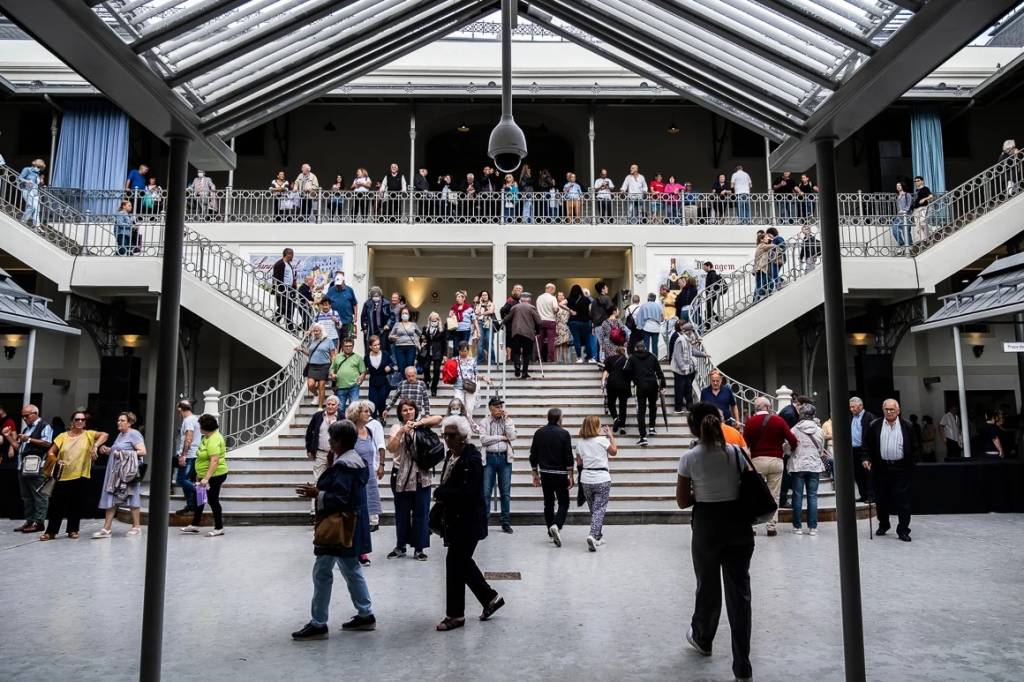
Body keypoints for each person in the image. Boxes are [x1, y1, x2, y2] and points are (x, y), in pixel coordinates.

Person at [676, 403, 755, 682]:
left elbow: (683, 501)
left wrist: (704, 493)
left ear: (693, 427)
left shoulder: (689, 458)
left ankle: (703, 637)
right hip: (738, 523)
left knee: (707, 588)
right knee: (740, 594)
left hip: (707, 525)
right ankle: (742, 666)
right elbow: (750, 485)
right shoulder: (735, 453)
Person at [291, 419, 376, 640]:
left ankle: (319, 622)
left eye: (331, 439)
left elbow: (340, 498)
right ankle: (365, 613)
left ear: (338, 442)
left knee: (322, 572)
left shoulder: (344, 465)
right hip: (349, 525)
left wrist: (317, 494)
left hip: (337, 526)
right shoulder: (355, 461)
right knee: (350, 568)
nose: (329, 442)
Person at [433, 416, 505, 631]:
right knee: (461, 563)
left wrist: (440, 492)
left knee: (455, 564)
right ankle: (490, 599)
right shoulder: (452, 455)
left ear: (464, 437)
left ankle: (456, 615)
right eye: (445, 434)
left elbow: (469, 492)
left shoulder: (471, 460)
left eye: (451, 435)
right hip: (456, 520)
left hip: (468, 521)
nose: (447, 439)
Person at [386, 400, 441, 560]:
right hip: (401, 475)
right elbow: (391, 448)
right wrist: (402, 432)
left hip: (421, 476)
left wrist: (418, 423)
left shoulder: (422, 425)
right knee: (402, 513)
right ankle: (400, 546)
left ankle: (419, 548)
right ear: (400, 413)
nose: (408, 412)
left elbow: (438, 418)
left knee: (422, 513)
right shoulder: (397, 427)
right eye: (404, 410)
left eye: (411, 409)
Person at [40, 410, 108, 541]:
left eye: (83, 420)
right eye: (77, 419)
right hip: (62, 475)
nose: (80, 422)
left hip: (80, 475)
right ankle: (51, 532)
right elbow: (50, 452)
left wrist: (95, 446)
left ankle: (73, 530)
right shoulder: (62, 436)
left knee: (76, 504)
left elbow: (105, 435)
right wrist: (56, 460)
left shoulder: (89, 434)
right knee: (56, 505)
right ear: (72, 421)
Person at [862, 399, 919, 541]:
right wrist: (866, 459)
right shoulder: (875, 425)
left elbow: (916, 446)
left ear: (898, 411)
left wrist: (911, 463)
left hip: (901, 468)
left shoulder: (907, 426)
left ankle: (903, 530)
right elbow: (866, 445)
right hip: (881, 467)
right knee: (881, 498)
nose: (889, 412)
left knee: (903, 500)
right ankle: (884, 524)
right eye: (886, 409)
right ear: (883, 410)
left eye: (892, 409)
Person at [742, 396, 797, 537]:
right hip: (776, 460)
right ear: (768, 406)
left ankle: (753, 527)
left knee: (755, 494)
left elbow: (744, 444)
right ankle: (771, 527)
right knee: (774, 495)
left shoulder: (750, 422)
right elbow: (793, 440)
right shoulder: (778, 421)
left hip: (757, 461)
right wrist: (786, 449)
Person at [93, 412, 146, 538]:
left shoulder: (134, 434)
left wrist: (122, 453)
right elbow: (117, 450)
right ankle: (106, 529)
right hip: (115, 472)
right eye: (118, 420)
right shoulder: (121, 435)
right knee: (111, 496)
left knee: (131, 496)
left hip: (127, 472)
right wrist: (108, 450)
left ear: (130, 422)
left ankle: (136, 527)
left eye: (122, 420)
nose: (119, 422)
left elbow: (143, 451)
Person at [3, 404, 52, 533]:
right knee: (26, 496)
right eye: (23, 416)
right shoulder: (26, 429)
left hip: (36, 466)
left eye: (27, 415)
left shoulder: (44, 426)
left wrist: (29, 439)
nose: (25, 418)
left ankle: (39, 522)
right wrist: (8, 436)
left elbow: (47, 443)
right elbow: (18, 447)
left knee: (39, 495)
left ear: (35, 413)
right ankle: (30, 521)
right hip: (24, 466)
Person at [530, 408, 574, 547]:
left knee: (548, 503)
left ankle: (550, 531)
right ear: (559, 418)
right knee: (564, 502)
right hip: (560, 474)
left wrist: (534, 473)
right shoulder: (564, 433)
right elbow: (568, 456)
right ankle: (557, 525)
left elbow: (533, 454)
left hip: (545, 473)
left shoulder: (539, 433)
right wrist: (571, 475)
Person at [180, 414, 228, 537]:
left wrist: (206, 478)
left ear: (205, 426)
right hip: (204, 475)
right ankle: (195, 525)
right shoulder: (206, 437)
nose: (198, 427)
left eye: (200, 425)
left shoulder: (214, 439)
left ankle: (219, 528)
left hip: (215, 476)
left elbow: (214, 461)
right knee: (198, 499)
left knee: (213, 500)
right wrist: (199, 476)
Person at [576, 416, 616, 551]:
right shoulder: (602, 440)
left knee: (594, 509)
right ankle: (593, 535)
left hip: (586, 479)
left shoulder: (580, 443)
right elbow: (614, 452)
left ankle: (598, 536)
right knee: (599, 509)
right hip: (602, 478)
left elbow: (579, 463)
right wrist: (611, 436)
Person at [347, 400, 386, 540]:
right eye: (366, 411)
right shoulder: (348, 430)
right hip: (353, 477)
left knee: (366, 511)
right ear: (356, 413)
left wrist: (381, 465)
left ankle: (363, 549)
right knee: (355, 512)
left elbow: (380, 446)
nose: (369, 414)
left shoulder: (370, 428)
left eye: (369, 411)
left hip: (368, 475)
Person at [478, 396, 516, 533]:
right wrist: (501, 437)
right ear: (491, 408)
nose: (500, 409)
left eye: (501, 406)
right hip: (489, 459)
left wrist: (507, 421)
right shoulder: (484, 422)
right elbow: (483, 439)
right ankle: (484, 522)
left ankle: (505, 522)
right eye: (497, 407)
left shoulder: (508, 421)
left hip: (505, 459)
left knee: (505, 493)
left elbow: (512, 436)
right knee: (486, 492)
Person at [789, 403, 826, 535]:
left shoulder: (794, 429)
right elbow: (821, 449)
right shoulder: (819, 430)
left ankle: (797, 526)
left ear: (801, 415)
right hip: (814, 465)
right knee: (812, 496)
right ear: (813, 415)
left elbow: (788, 448)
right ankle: (813, 527)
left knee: (797, 496)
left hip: (798, 465)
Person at [305, 395, 342, 516]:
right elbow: (309, 432)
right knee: (317, 481)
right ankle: (314, 511)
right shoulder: (318, 416)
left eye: (333, 404)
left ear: (337, 406)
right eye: (328, 404)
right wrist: (310, 449)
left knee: (337, 481)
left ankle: (334, 509)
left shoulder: (342, 417)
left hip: (337, 455)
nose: (330, 406)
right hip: (320, 453)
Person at [624, 340, 665, 447]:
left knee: (641, 411)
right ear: (645, 348)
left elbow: (626, 371)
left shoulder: (632, 358)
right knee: (653, 407)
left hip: (640, 386)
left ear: (636, 348)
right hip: (653, 384)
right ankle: (652, 428)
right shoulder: (652, 356)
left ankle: (643, 437)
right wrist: (663, 385)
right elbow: (659, 372)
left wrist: (634, 379)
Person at [503, 291, 542, 379]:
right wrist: (537, 330)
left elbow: (507, 318)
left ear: (521, 299)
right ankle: (524, 373)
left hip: (516, 332)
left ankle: (517, 366)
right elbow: (539, 321)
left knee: (516, 352)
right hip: (528, 334)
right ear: (529, 300)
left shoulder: (515, 307)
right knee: (527, 354)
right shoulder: (532, 308)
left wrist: (504, 321)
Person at [671, 321, 707, 414]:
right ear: (688, 331)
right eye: (691, 331)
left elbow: (693, 351)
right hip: (680, 370)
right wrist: (682, 367)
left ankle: (689, 406)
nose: (692, 333)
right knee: (680, 389)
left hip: (687, 369)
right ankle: (678, 408)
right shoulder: (680, 340)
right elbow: (677, 355)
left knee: (688, 388)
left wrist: (703, 354)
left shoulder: (687, 340)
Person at [298, 324, 334, 409]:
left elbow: (333, 355)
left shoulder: (329, 341)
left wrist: (332, 368)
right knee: (310, 385)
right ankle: (316, 395)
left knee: (321, 386)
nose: (315, 332)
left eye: (317, 331)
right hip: (312, 365)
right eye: (314, 331)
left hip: (324, 365)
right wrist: (302, 350)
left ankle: (320, 407)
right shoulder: (312, 340)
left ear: (322, 331)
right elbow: (310, 353)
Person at [453, 341, 489, 424]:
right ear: (458, 351)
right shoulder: (455, 360)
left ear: (468, 350)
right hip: (458, 386)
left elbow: (476, 374)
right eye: (461, 351)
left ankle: (468, 425)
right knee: (458, 405)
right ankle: (460, 424)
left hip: (470, 386)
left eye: (465, 351)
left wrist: (483, 377)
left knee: (469, 408)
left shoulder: (473, 360)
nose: (463, 353)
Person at [850, 397, 877, 502]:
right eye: (850, 407)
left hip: (866, 450)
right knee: (858, 474)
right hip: (854, 450)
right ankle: (863, 495)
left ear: (861, 406)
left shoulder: (869, 417)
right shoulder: (851, 417)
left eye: (853, 407)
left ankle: (871, 495)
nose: (851, 409)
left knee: (868, 473)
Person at [330, 337, 366, 412]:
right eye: (346, 346)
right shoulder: (337, 357)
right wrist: (332, 374)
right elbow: (332, 368)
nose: (348, 348)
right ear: (343, 347)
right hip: (340, 386)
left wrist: (361, 378)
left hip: (354, 386)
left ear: (353, 346)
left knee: (354, 408)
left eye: (350, 346)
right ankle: (341, 423)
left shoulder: (358, 358)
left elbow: (363, 371)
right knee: (340, 408)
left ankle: (351, 423)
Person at [363, 336, 395, 422]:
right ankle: (373, 420)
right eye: (375, 345)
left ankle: (382, 417)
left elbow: (392, 363)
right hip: (373, 381)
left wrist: (389, 366)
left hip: (384, 381)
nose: (377, 346)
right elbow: (364, 369)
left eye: (378, 344)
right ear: (370, 347)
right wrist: (361, 377)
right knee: (373, 401)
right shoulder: (366, 357)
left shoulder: (385, 354)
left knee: (381, 400)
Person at [603, 345, 631, 434]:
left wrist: (603, 381)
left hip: (612, 384)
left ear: (616, 352)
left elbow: (606, 371)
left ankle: (615, 419)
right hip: (624, 385)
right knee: (623, 406)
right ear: (624, 352)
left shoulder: (610, 359)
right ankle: (622, 427)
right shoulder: (627, 360)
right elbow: (631, 373)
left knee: (611, 403)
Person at [388, 305, 422, 375]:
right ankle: (403, 383)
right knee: (401, 367)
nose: (404, 315)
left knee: (410, 366)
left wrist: (422, 342)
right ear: (400, 315)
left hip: (411, 347)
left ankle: (409, 383)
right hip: (399, 348)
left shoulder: (413, 324)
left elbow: (421, 335)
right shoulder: (397, 324)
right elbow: (390, 336)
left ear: (409, 315)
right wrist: (392, 337)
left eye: (406, 313)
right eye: (403, 313)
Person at [360, 286, 394, 355]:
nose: (375, 297)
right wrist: (364, 328)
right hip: (370, 331)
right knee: (370, 349)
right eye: (374, 295)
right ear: (371, 296)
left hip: (382, 331)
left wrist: (388, 324)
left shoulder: (386, 303)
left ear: (380, 295)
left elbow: (392, 316)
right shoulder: (367, 303)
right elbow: (363, 317)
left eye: (377, 295)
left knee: (383, 349)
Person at [326, 271, 359, 339]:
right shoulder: (331, 290)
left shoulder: (349, 290)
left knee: (347, 341)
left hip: (347, 320)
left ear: (343, 282)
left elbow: (355, 304)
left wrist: (355, 316)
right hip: (335, 321)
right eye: (337, 285)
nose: (338, 286)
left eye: (339, 285)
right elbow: (325, 302)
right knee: (335, 340)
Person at [566, 284, 594, 363]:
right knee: (587, 340)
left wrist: (570, 310)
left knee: (576, 340)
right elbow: (590, 310)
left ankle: (579, 358)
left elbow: (560, 304)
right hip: (585, 322)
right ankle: (590, 358)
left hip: (573, 322)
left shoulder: (569, 299)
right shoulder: (586, 299)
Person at [422, 311, 447, 397]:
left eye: (435, 320)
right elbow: (422, 339)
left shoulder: (442, 329)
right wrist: (422, 342)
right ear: (429, 320)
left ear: (438, 320)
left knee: (436, 370)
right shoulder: (426, 329)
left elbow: (444, 343)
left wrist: (445, 355)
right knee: (425, 367)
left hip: (438, 352)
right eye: (432, 320)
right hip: (428, 352)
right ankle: (427, 380)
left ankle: (434, 388)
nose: (433, 322)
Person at [590, 281, 617, 360]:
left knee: (601, 344)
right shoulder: (607, 298)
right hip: (606, 324)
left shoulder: (594, 301)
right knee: (608, 343)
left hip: (597, 325)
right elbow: (612, 311)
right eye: (606, 287)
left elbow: (591, 314)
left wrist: (593, 326)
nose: (607, 288)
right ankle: (607, 361)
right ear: (602, 289)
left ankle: (601, 361)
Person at [272, 248, 297, 330]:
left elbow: (290, 277)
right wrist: (279, 290)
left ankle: (290, 327)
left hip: (289, 289)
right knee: (283, 307)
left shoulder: (288, 264)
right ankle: (274, 321)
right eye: (291, 254)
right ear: (287, 254)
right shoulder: (280, 264)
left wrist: (293, 288)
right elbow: (276, 278)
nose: (292, 256)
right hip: (282, 289)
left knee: (290, 308)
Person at [535, 283, 560, 363]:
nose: (554, 291)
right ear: (551, 289)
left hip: (540, 321)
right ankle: (550, 359)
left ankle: (536, 358)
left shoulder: (539, 298)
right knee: (551, 341)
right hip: (550, 321)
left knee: (539, 341)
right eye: (554, 290)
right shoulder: (552, 298)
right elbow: (555, 309)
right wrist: (556, 310)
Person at [19, 159, 45, 226]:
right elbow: (20, 178)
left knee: (37, 209)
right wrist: (27, 181)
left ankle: (36, 225)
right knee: (32, 206)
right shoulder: (27, 169)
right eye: (38, 167)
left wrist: (41, 183)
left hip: (35, 192)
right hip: (27, 190)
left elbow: (36, 184)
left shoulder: (37, 174)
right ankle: (23, 221)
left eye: (40, 168)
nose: (39, 169)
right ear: (35, 165)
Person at [449, 291, 476, 355]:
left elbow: (473, 319)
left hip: (466, 330)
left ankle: (463, 362)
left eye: (458, 297)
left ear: (463, 298)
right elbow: (450, 317)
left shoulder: (469, 308)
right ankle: (456, 361)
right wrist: (450, 314)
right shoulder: (453, 307)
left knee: (464, 347)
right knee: (455, 347)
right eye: (456, 297)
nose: (457, 298)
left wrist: (476, 330)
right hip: (456, 329)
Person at [475, 291, 497, 365]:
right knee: (480, 343)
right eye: (483, 295)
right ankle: (480, 360)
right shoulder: (479, 304)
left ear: (488, 296)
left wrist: (482, 312)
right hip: (480, 323)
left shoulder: (492, 304)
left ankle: (492, 361)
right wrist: (480, 303)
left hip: (489, 323)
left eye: (486, 295)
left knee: (489, 342)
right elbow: (476, 312)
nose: (484, 296)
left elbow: (491, 311)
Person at [910, 175, 934, 243]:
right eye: (915, 181)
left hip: (923, 207)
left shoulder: (925, 188)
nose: (916, 182)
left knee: (922, 222)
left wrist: (924, 199)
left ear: (922, 181)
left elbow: (931, 196)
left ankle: (927, 237)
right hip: (916, 209)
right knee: (918, 225)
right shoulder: (917, 190)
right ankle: (923, 240)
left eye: (918, 181)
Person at [892, 181, 913, 247]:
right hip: (898, 217)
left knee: (906, 232)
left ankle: (910, 245)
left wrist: (904, 211)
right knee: (895, 231)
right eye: (897, 186)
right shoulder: (897, 196)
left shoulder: (907, 195)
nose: (898, 187)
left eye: (899, 185)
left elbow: (909, 205)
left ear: (902, 186)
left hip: (906, 216)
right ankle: (902, 244)